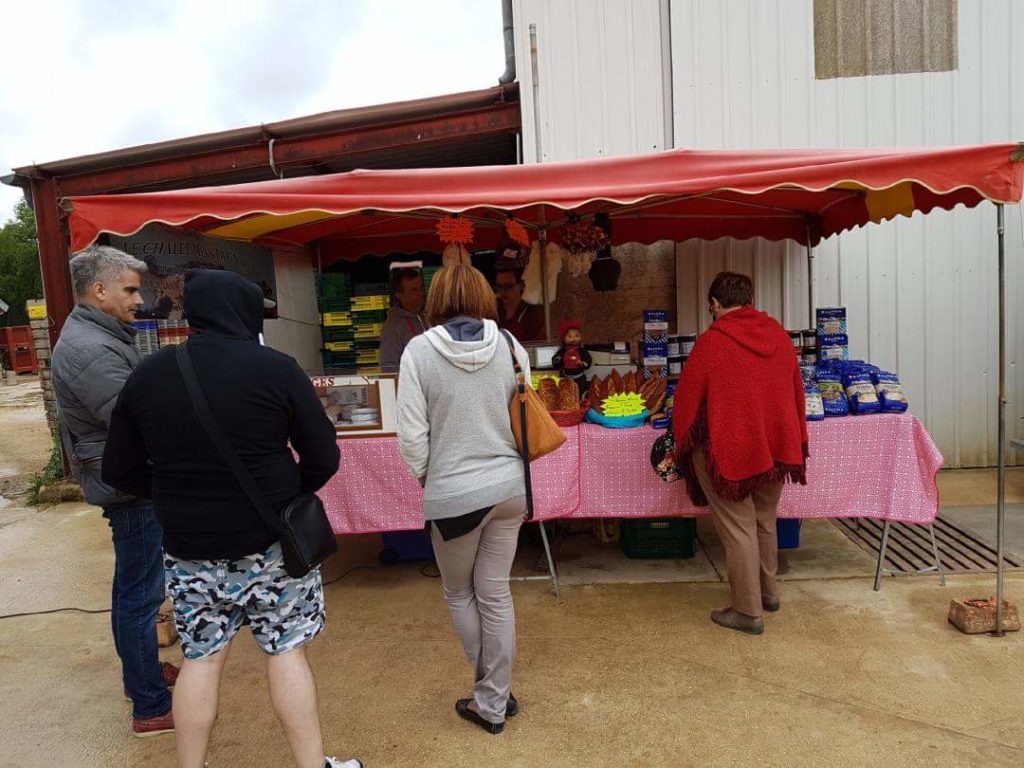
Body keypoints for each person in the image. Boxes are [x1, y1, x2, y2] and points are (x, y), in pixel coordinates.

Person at [101, 269, 360, 768]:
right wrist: (289, 497)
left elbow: (119, 470)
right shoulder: (276, 369)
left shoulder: (147, 375)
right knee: (286, 653)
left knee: (202, 658)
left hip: (188, 547)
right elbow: (324, 455)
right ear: (242, 314)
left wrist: (173, 496)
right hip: (271, 546)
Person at [50, 245, 179, 738]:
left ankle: (141, 675)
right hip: (128, 485)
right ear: (99, 290)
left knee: (140, 587)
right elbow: (134, 420)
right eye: (129, 289)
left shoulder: (98, 335)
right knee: (138, 595)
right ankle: (149, 704)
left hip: (126, 477)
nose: (139, 298)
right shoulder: (88, 348)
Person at [396, 264, 530, 735]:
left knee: (460, 592)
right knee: (495, 592)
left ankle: (491, 700)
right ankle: (496, 695)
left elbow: (412, 437)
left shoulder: (417, 352)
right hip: (511, 488)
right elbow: (524, 413)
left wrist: (432, 480)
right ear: (482, 297)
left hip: (453, 496)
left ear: (435, 301)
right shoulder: (512, 346)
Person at [672, 272, 807, 636]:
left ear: (715, 304)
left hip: (729, 452)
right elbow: (796, 393)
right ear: (749, 300)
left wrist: (680, 442)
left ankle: (747, 611)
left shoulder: (712, 342)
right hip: (776, 447)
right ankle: (768, 593)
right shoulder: (778, 335)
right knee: (764, 519)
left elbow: (686, 403)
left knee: (738, 528)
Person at [379, 266, 428, 372]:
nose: (421, 294)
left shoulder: (430, 315)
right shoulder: (393, 326)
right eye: (414, 290)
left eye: (421, 288)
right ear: (399, 295)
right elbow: (388, 367)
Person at [495, 267, 545, 342]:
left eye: (509, 286)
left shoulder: (533, 313)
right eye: (499, 287)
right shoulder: (494, 311)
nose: (503, 291)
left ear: (521, 285)